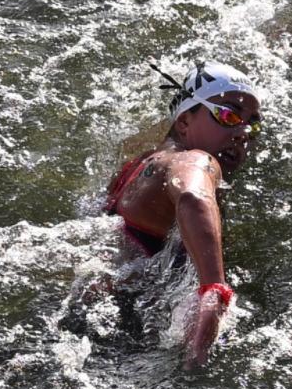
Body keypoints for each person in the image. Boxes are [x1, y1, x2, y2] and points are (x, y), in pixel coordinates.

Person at [98, 60, 263, 368]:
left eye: (253, 124)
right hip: (121, 323)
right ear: (184, 122)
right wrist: (213, 291)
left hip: (93, 306)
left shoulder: (140, 162)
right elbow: (192, 194)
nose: (243, 133)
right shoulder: (195, 160)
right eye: (228, 115)